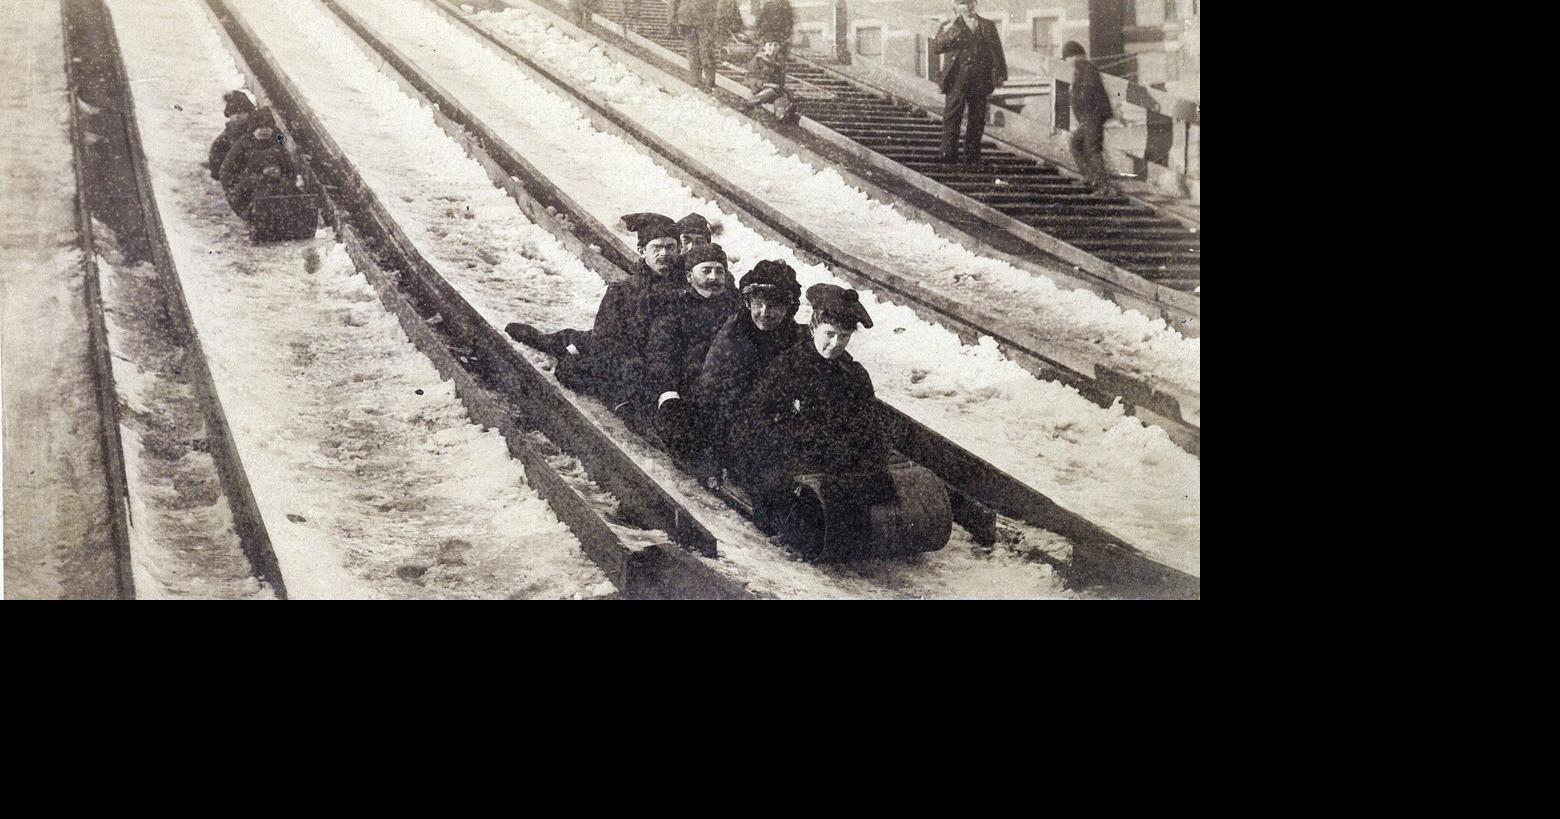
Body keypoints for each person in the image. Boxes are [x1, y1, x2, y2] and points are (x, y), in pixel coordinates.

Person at [736, 283, 893, 532]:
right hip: (789, 456)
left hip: (833, 458)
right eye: (829, 334)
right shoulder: (787, 367)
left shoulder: (854, 374)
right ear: (813, 328)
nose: (835, 344)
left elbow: (869, 424)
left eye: (844, 337)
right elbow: (758, 420)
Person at [510, 213, 683, 416]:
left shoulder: (690, 285)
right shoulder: (623, 291)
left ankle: (571, 344)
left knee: (584, 341)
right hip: (626, 356)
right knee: (572, 365)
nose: (664, 254)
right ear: (642, 251)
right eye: (656, 248)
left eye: (670, 247)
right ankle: (552, 343)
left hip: (662, 360)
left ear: (679, 250)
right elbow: (605, 339)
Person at [695, 259, 805, 463]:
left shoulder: (798, 337)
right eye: (758, 304)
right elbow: (712, 397)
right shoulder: (733, 337)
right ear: (748, 304)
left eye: (773, 306)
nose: (764, 313)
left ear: (789, 308)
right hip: (735, 429)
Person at [646, 243, 742, 465]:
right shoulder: (673, 308)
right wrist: (668, 395)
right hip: (685, 390)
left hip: (726, 390)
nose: (713, 277)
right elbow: (661, 353)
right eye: (706, 270)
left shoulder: (736, 310)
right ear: (689, 277)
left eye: (719, 271)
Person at [931, 0, 1007, 165]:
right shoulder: (950, 25)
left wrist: (1000, 75)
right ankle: (948, 155)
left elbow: (997, 51)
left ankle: (972, 157)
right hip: (957, 78)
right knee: (952, 116)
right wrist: (951, 28)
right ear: (957, 6)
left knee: (978, 118)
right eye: (963, 3)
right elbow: (937, 47)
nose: (967, 7)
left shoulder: (987, 25)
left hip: (980, 79)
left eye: (970, 2)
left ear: (976, 3)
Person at [1062, 40, 1117, 189]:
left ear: (1073, 56)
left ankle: (1102, 184)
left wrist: (1076, 96)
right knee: (1077, 143)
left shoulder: (1087, 68)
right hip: (1089, 117)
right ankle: (1090, 177)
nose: (1067, 62)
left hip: (1093, 115)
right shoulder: (1082, 69)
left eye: (1067, 58)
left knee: (1092, 148)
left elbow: (1089, 91)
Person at [219, 113, 282, 195]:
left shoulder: (278, 141)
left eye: (268, 127)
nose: (264, 130)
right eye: (260, 127)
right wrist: (232, 192)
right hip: (249, 186)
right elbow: (226, 169)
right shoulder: (242, 144)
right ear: (252, 130)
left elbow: (288, 165)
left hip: (275, 185)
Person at [738, 40, 795, 123]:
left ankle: (781, 115)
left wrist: (782, 87)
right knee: (770, 91)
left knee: (782, 96)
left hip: (774, 90)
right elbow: (748, 78)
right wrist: (766, 84)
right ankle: (748, 104)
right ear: (764, 47)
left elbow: (780, 81)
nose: (773, 47)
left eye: (775, 45)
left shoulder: (777, 63)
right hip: (759, 88)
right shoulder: (757, 60)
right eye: (770, 45)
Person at [669, 0, 721, 90]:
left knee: (703, 51)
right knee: (697, 51)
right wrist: (672, 20)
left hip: (699, 19)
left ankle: (706, 82)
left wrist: (671, 20)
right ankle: (699, 82)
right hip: (694, 19)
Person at [208, 90, 257, 180]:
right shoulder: (229, 133)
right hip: (234, 169)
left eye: (241, 113)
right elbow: (217, 152)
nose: (237, 116)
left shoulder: (257, 127)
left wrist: (281, 140)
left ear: (249, 113)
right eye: (233, 113)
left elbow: (277, 137)